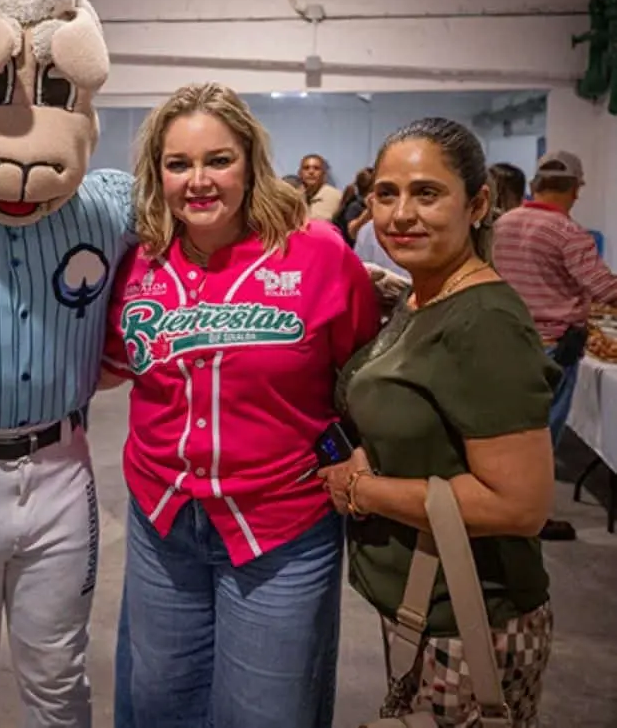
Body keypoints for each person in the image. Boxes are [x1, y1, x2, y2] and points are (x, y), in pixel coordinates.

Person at [101, 82, 380, 727]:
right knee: (160, 702)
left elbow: (361, 381)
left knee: (265, 712)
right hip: (162, 516)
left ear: (250, 162)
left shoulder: (318, 254)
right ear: (157, 173)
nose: (198, 181)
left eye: (218, 160)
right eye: (179, 164)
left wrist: (343, 456)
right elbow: (112, 362)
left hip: (280, 523)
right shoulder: (139, 261)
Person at [323, 117, 557, 727]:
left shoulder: (486, 321)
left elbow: (518, 505)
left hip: (473, 617)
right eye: (386, 194)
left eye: (427, 194)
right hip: (425, 603)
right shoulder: (424, 296)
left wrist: (360, 489)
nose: (401, 215)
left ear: (478, 203)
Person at [492, 149, 617, 541]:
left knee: (511, 431)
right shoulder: (567, 232)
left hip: (509, 341)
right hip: (554, 346)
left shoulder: (504, 223)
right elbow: (603, 289)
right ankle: (534, 517)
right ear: (573, 189)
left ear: (536, 184)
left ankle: (505, 507)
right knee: (543, 437)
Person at [299, 153, 341, 221]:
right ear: (300, 173)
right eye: (306, 168)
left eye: (316, 168)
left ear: (323, 173)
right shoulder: (294, 196)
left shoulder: (335, 196)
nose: (311, 172)